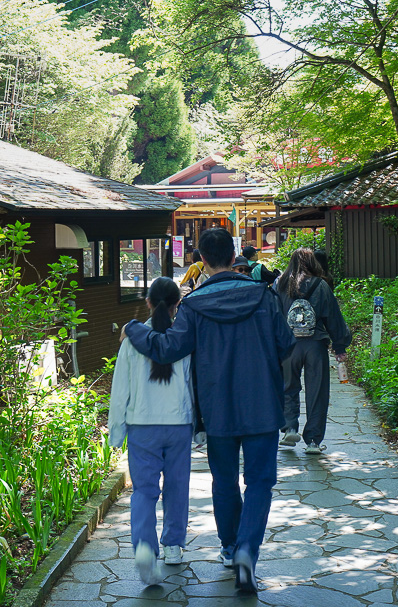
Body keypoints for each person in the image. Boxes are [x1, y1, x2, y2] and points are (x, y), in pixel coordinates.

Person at [124, 228, 295, 593]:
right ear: (234, 257)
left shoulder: (193, 305)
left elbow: (168, 348)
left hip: (217, 410)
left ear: (201, 260)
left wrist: (133, 329)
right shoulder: (263, 298)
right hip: (262, 405)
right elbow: (286, 343)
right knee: (261, 482)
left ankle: (231, 547)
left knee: (225, 480)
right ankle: (248, 549)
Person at [109, 277, 194, 586]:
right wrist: (199, 427)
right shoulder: (183, 339)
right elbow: (191, 385)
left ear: (147, 302)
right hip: (178, 423)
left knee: (144, 491)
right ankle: (173, 546)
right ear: (176, 306)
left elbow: (121, 389)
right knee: (177, 485)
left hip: (141, 425)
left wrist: (116, 432)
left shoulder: (132, 339)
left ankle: (145, 547)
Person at [275, 248, 352, 454]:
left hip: (288, 346)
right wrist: (340, 345)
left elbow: (273, 317)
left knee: (287, 387)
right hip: (315, 345)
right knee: (317, 392)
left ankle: (290, 427)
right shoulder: (322, 285)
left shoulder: (280, 284)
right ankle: (313, 441)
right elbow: (333, 318)